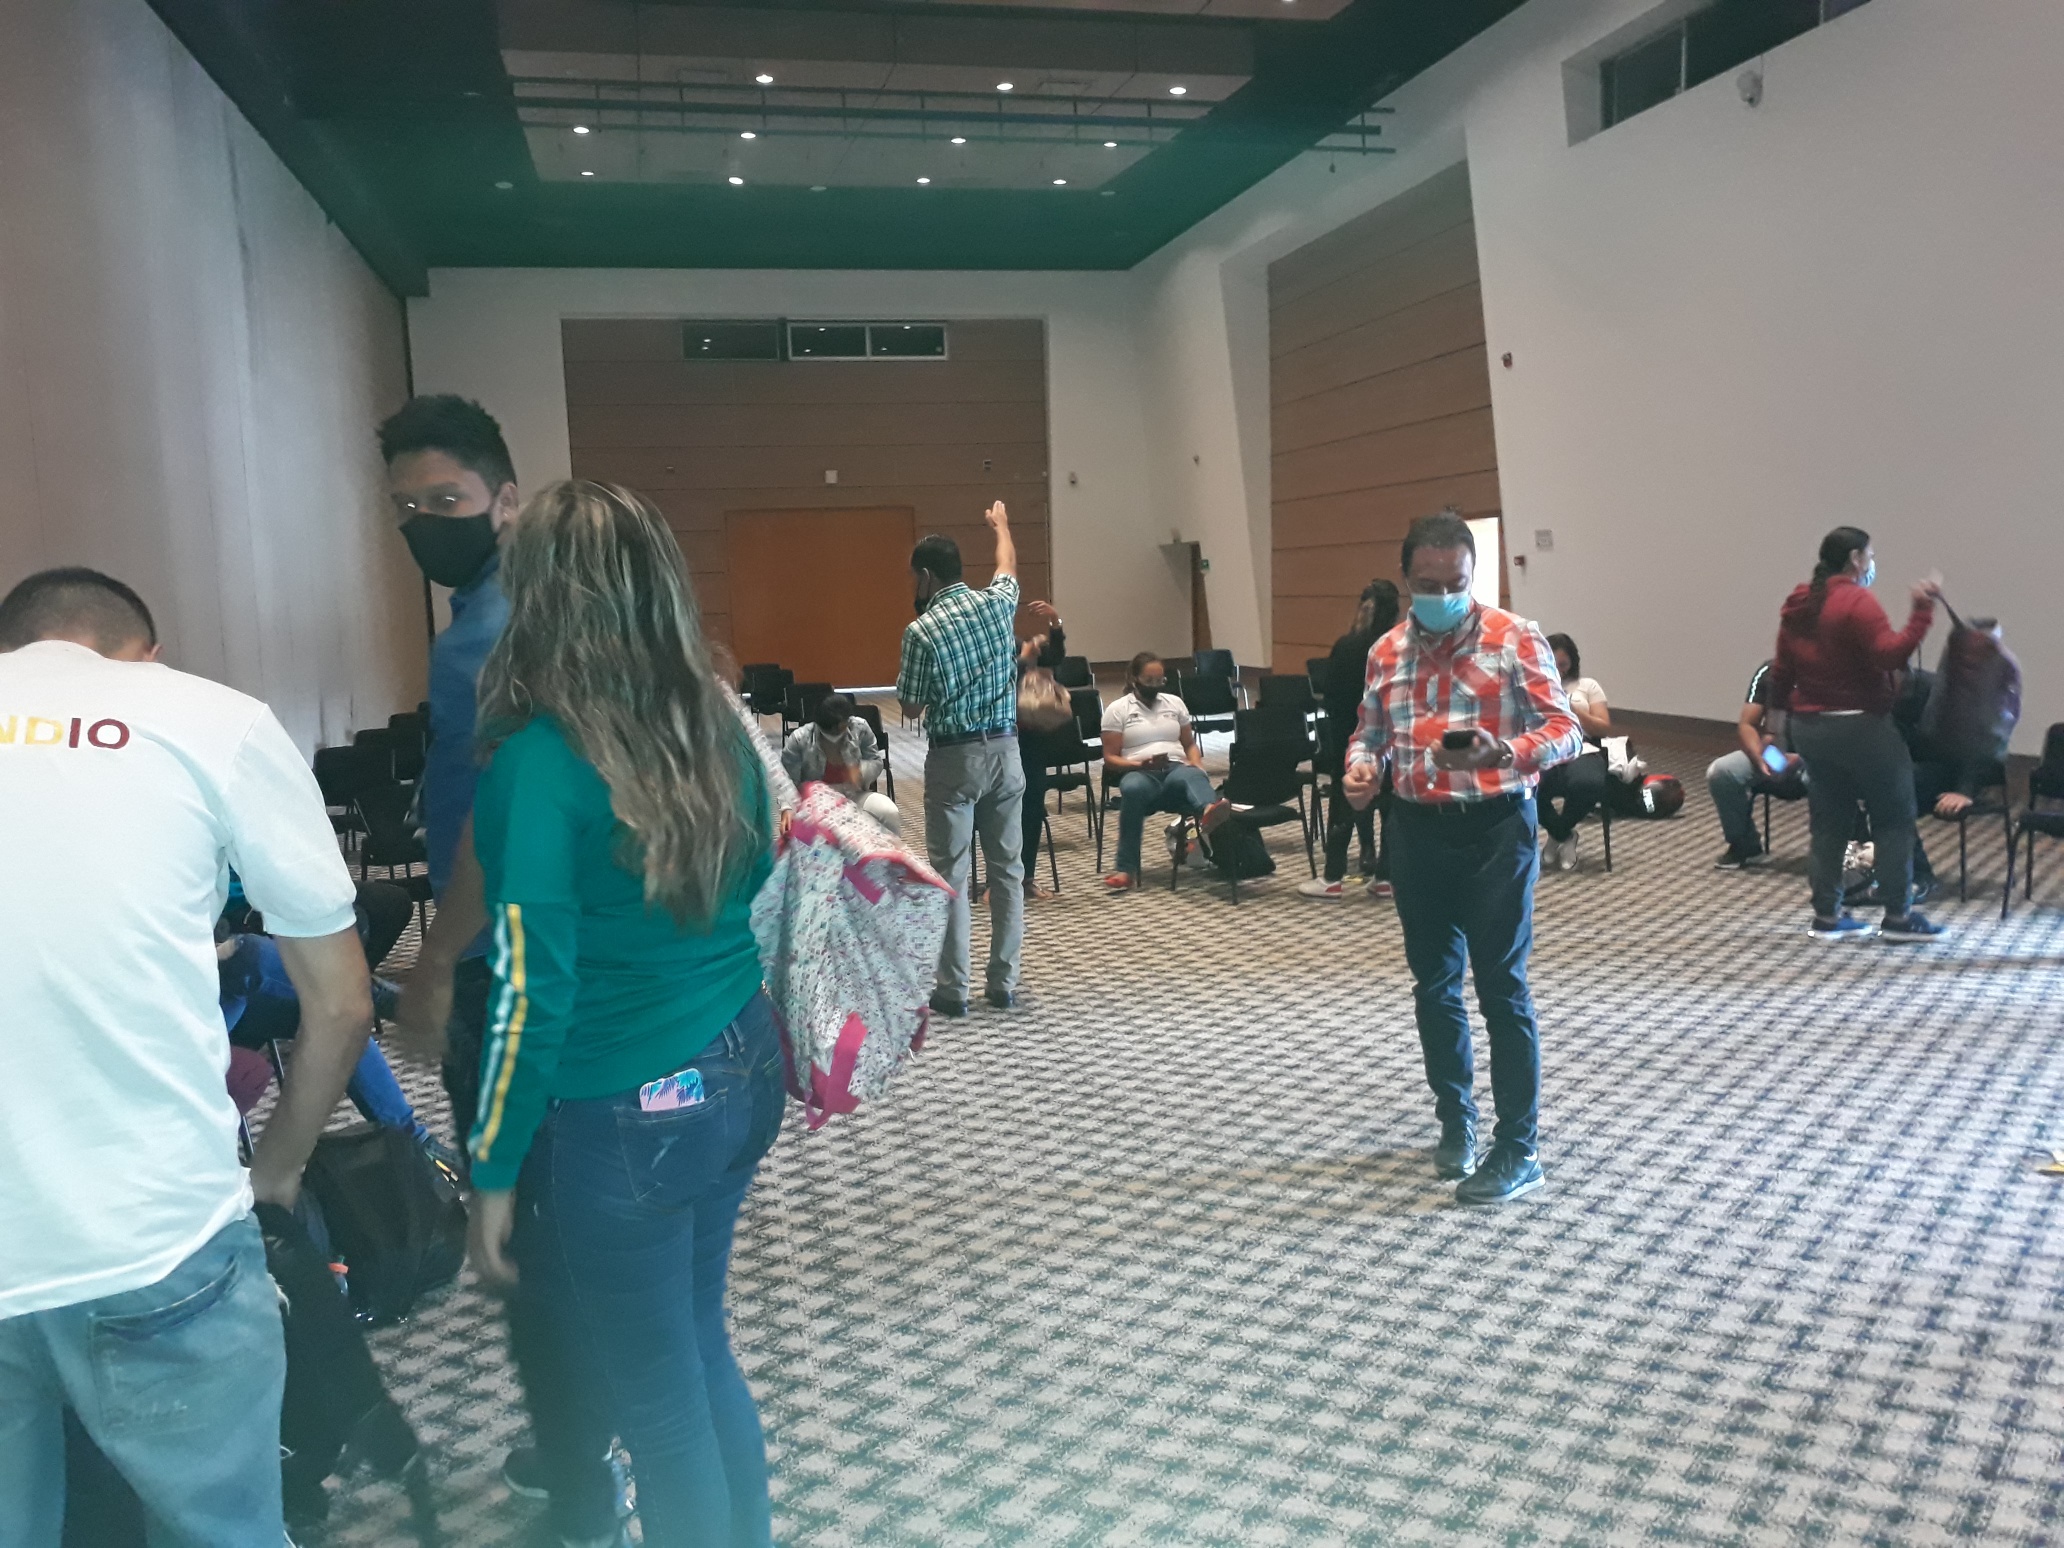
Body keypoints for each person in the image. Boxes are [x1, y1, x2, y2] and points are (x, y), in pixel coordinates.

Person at [0, 568, 373, 1546]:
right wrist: (276, 1172)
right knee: (224, 1531)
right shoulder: (210, 719)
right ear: (147, 657)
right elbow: (341, 1004)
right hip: (152, 1229)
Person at [461, 481, 783, 1548]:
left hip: (627, 1107)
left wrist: (493, 1171)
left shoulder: (538, 763)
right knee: (697, 1345)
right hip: (743, 1057)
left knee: (655, 1400)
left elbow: (527, 989)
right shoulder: (716, 725)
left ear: (539, 595)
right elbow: (752, 884)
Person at [1342, 513, 1582, 1206]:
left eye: (1457, 583)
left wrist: (1503, 751)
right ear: (1405, 578)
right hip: (1417, 830)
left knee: (1501, 988)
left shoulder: (1516, 637)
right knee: (1434, 985)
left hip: (1496, 831)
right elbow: (1369, 734)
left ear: (1474, 575)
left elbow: (1565, 730)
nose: (1444, 595)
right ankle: (1456, 1120)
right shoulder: (1386, 650)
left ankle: (1519, 1148)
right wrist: (1362, 770)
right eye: (1428, 583)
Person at [377, 394, 517, 1153]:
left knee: (507, 1162)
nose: (423, 522)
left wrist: (434, 963)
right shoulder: (511, 607)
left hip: (503, 946)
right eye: (407, 506)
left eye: (446, 500)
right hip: (539, 935)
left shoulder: (487, 637)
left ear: (505, 502)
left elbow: (504, 817)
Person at [1770, 525, 1943, 941]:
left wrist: (1775, 732)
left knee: (1828, 824)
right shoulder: (1856, 601)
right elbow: (1890, 654)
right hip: (1861, 728)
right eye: (1870, 555)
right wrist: (1922, 612)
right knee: (1894, 818)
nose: (1871, 562)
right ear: (1854, 559)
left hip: (1809, 728)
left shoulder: (1800, 603)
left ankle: (1827, 916)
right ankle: (1898, 917)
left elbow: (1781, 671)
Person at [897, 502, 1026, 1015]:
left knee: (950, 875)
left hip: (955, 757)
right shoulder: (998, 604)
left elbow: (910, 706)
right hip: (1007, 752)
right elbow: (1007, 563)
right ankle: (1004, 984)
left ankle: (953, 991)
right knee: (1007, 871)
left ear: (927, 576)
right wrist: (1001, 526)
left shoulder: (921, 632)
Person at [1300, 581, 1399, 900]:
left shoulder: (1348, 646)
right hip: (1393, 740)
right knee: (1390, 807)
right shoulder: (1399, 646)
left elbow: (1330, 693)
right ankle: (1385, 877)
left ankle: (1333, 877)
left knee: (1344, 803)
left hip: (1349, 733)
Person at [1100, 652, 1229, 891]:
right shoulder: (1118, 709)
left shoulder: (1174, 703)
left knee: (1193, 775)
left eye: (1159, 681)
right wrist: (1140, 765)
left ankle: (1209, 811)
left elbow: (1189, 744)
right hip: (1140, 772)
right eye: (1149, 680)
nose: (1155, 686)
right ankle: (1125, 869)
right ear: (1134, 679)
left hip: (1174, 767)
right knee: (1132, 788)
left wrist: (1196, 763)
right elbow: (1110, 758)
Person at [1705, 660, 1808, 869]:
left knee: (1828, 780)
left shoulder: (1836, 673)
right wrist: (1758, 756)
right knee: (1722, 772)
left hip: (1819, 759)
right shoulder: (1769, 671)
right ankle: (1745, 844)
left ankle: (1847, 849)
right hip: (1775, 754)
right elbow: (1747, 724)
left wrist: (1802, 759)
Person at [1535, 633, 1612, 872]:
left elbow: (1603, 727)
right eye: (1553, 664)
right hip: (1545, 747)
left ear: (1573, 663)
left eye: (1564, 665)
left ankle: (1557, 834)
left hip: (1582, 748)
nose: (1559, 671)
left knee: (1588, 783)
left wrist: (1575, 711)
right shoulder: (1533, 687)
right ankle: (1564, 835)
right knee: (1523, 787)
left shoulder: (1587, 686)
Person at [781, 691, 899, 831]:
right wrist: (787, 808)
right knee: (814, 830)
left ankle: (891, 845)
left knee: (888, 811)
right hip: (816, 800)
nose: (834, 732)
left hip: (854, 794)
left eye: (841, 726)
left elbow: (875, 760)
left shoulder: (860, 728)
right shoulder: (800, 738)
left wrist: (861, 771)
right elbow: (788, 780)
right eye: (829, 730)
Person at [1015, 600, 1069, 900]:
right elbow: (996, 681)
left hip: (1032, 740)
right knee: (1000, 814)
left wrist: (1055, 623)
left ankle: (1027, 878)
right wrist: (1022, 661)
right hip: (1000, 741)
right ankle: (999, 881)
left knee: (1032, 809)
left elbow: (1055, 656)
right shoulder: (990, 646)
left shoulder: (1021, 644)